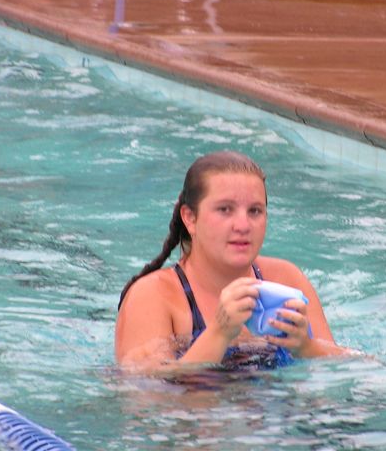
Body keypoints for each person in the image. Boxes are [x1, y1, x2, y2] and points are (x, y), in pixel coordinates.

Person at [115, 150, 353, 370]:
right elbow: (147, 391)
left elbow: (344, 367)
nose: (243, 225)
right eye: (225, 209)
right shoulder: (153, 297)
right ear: (190, 218)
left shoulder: (285, 278)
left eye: (255, 211)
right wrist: (219, 332)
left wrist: (306, 347)